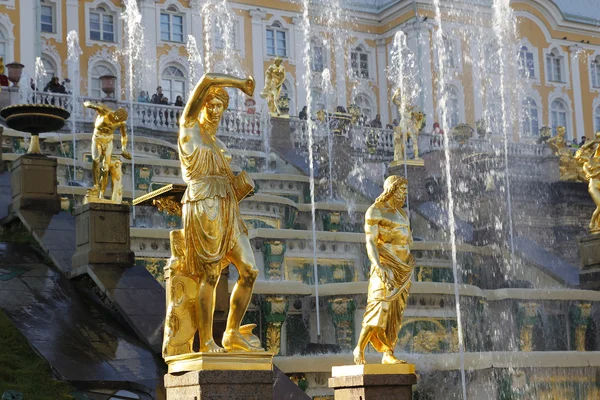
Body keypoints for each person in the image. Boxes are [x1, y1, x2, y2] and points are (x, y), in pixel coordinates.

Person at [176, 73, 261, 353]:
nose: (213, 111)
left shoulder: (220, 146)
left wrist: (240, 187)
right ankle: (206, 341)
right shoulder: (188, 128)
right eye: (209, 105)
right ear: (200, 105)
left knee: (249, 270)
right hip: (203, 205)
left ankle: (232, 333)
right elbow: (206, 78)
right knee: (210, 276)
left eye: (219, 107)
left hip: (228, 207)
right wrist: (240, 85)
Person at [353, 176, 415, 365]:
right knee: (379, 308)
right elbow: (370, 242)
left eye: (405, 191)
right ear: (391, 190)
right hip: (385, 267)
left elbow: (407, 239)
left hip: (403, 269)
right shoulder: (375, 211)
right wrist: (379, 267)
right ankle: (359, 348)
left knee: (395, 315)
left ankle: (388, 353)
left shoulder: (403, 214)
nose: (404, 195)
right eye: (401, 190)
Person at [83, 101, 132, 201]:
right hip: (97, 138)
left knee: (106, 168)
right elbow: (90, 104)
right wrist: (88, 105)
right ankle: (96, 185)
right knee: (96, 160)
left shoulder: (121, 122)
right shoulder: (105, 112)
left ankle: (101, 194)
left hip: (109, 140)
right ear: (114, 114)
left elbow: (124, 136)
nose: (115, 122)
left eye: (118, 121)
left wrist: (124, 148)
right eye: (115, 119)